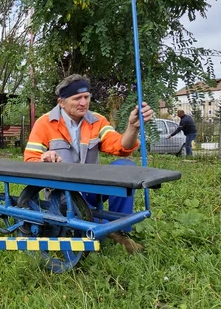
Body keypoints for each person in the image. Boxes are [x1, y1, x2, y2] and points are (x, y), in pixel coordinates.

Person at [24, 74, 154, 252]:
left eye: (86, 97)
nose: (83, 102)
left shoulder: (97, 121)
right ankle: (106, 230)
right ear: (61, 102)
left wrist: (133, 128)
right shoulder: (44, 123)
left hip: (91, 185)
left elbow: (120, 146)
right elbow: (29, 160)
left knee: (126, 168)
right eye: (77, 98)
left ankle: (121, 230)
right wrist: (44, 158)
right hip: (64, 191)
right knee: (84, 216)